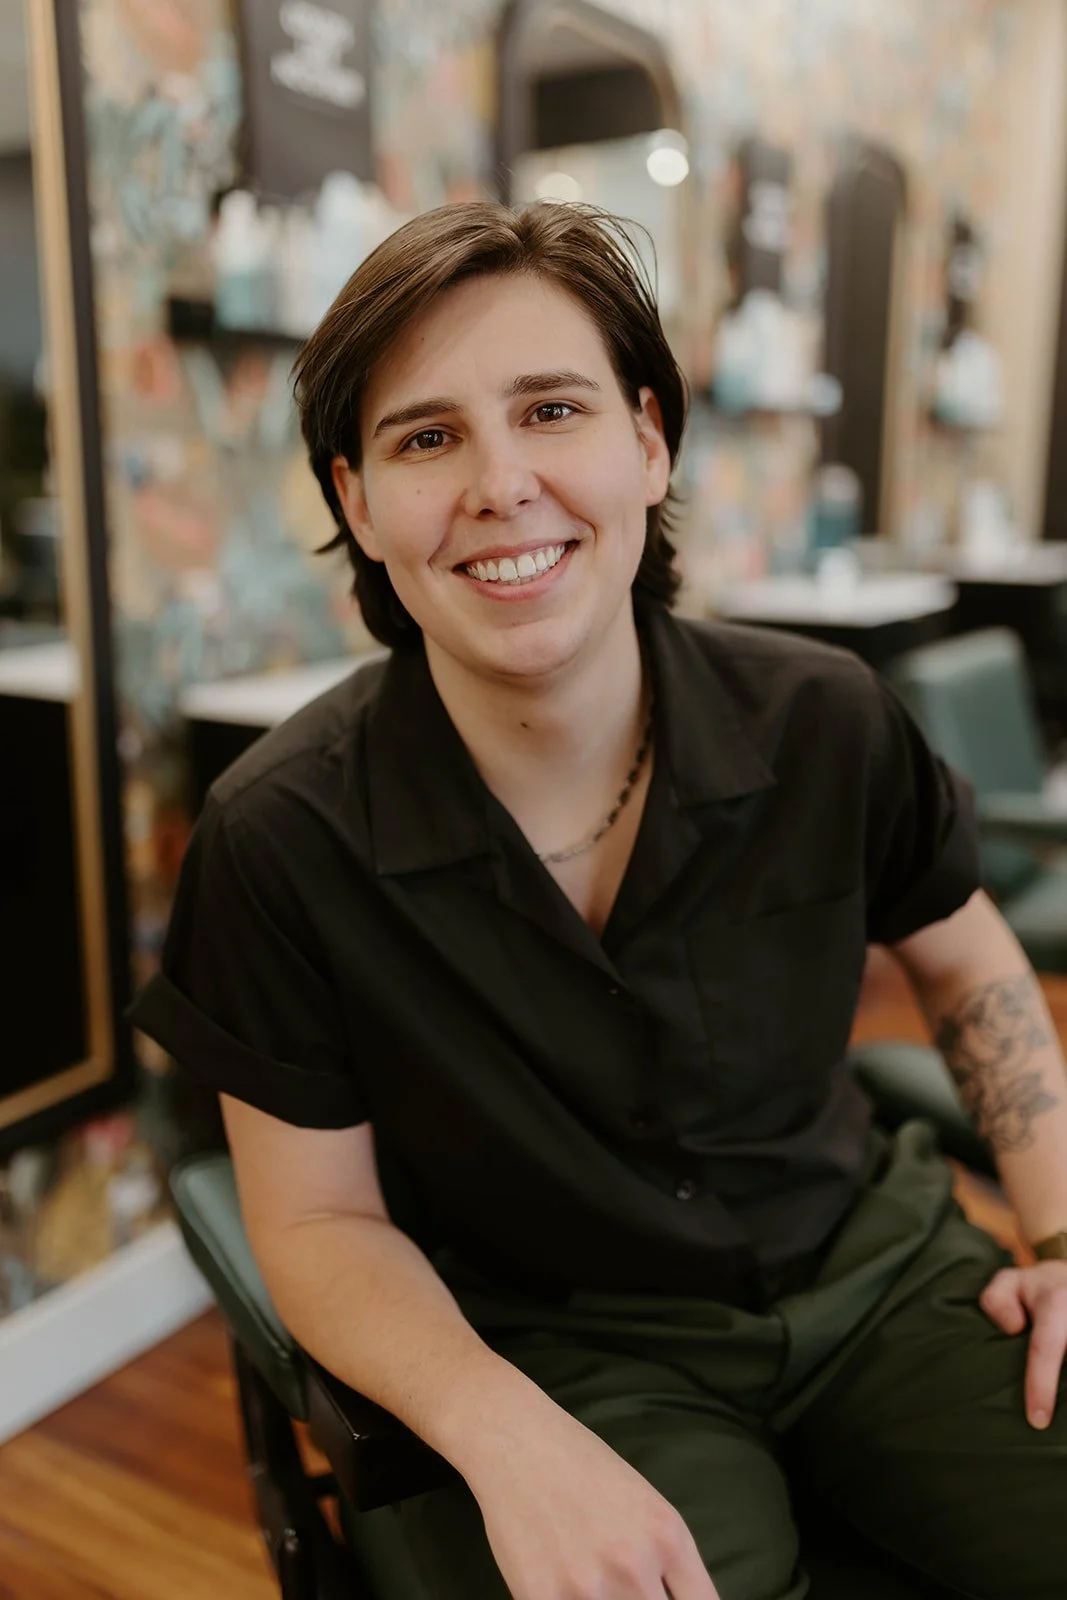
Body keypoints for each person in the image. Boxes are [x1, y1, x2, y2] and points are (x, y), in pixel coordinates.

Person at [130, 202, 1067, 1600]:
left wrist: (1058, 1233)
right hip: (554, 1346)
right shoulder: (279, 839)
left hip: (877, 1274)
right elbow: (317, 1223)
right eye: (426, 438)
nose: (501, 483)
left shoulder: (827, 720)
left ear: (648, 441)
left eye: (550, 410)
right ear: (356, 503)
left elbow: (970, 966)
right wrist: (505, 1435)